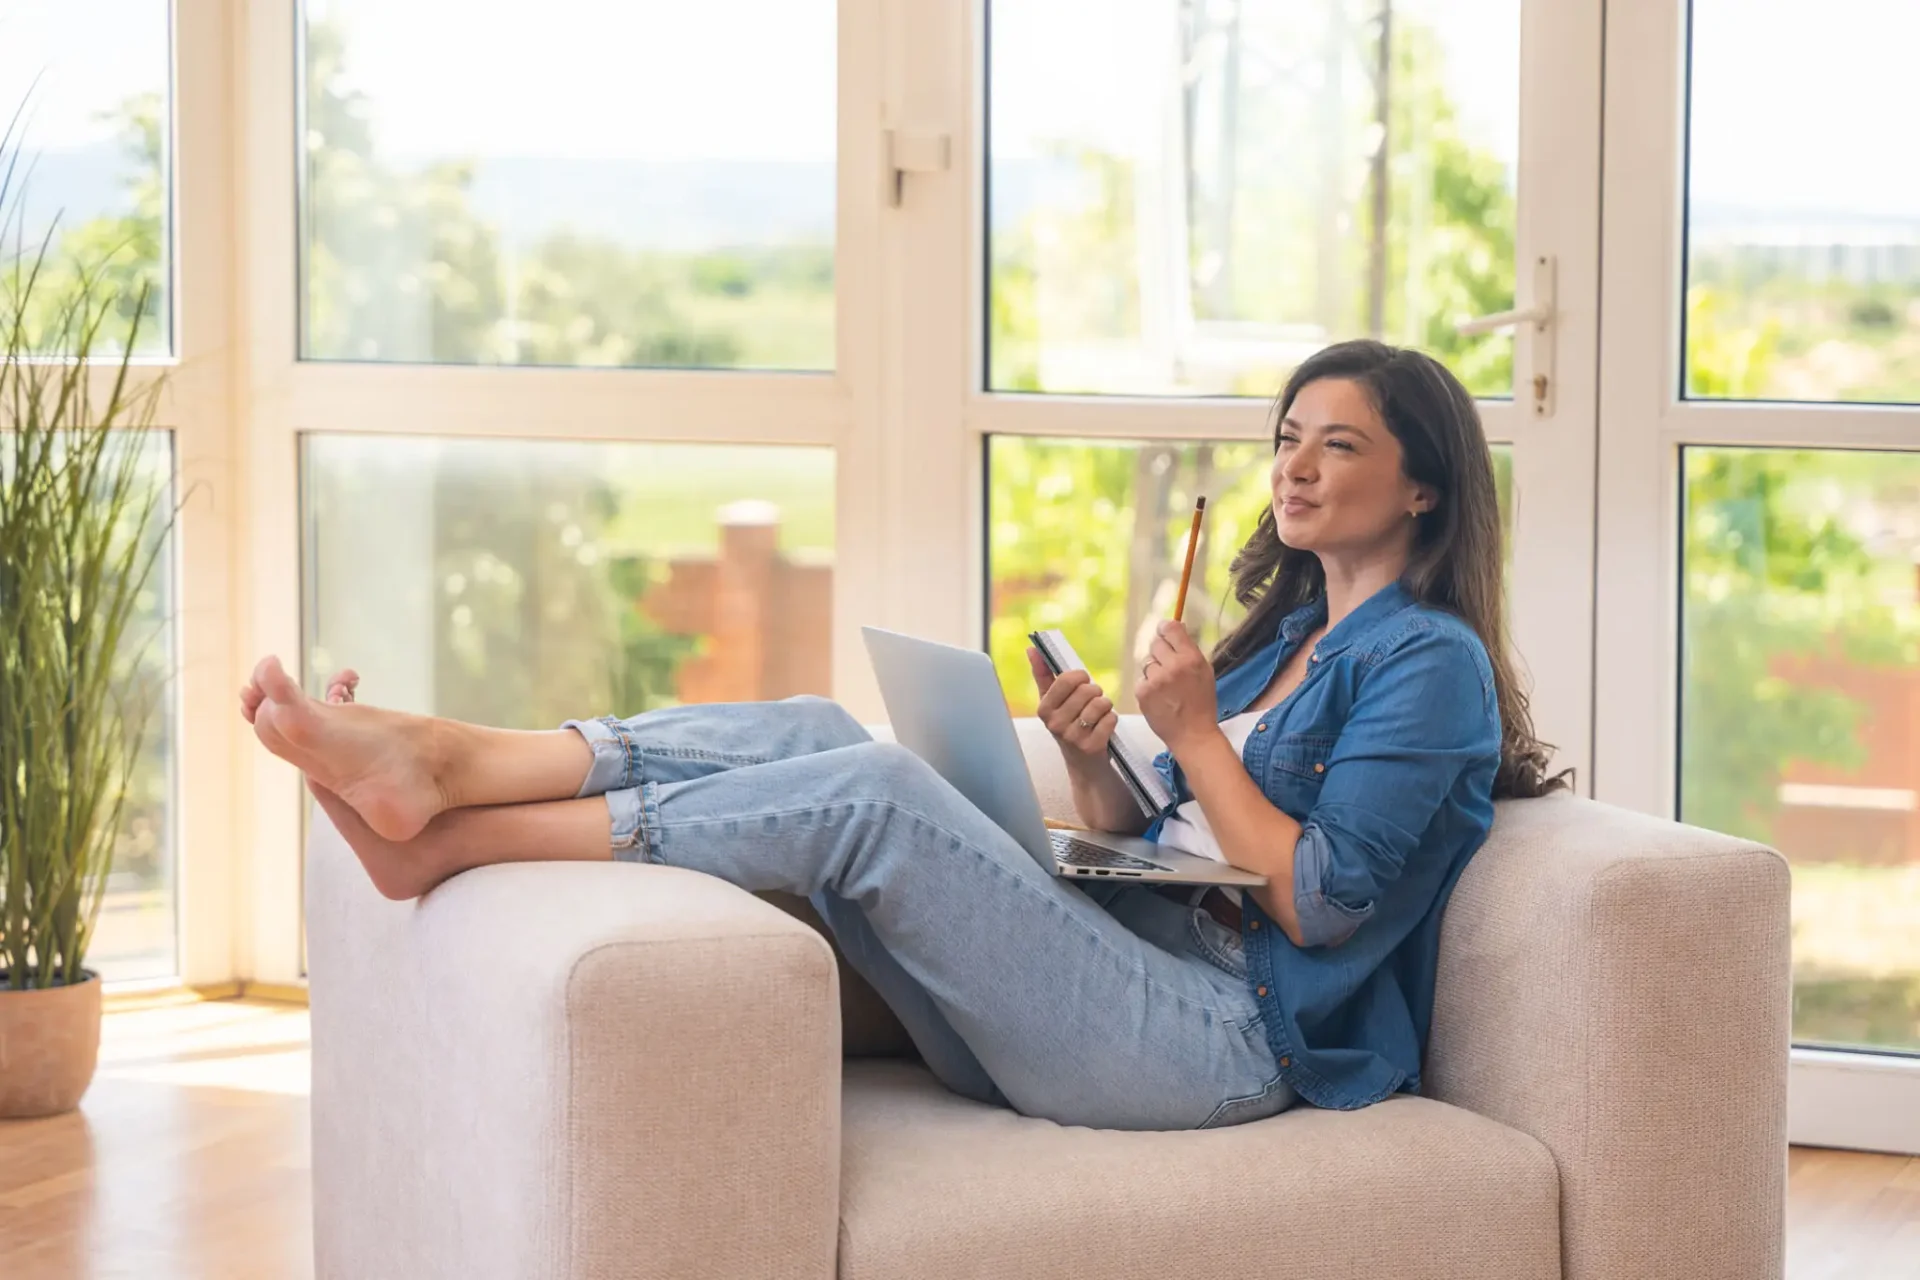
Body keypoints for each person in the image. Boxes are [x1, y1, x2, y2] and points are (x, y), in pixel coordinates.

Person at [242, 339, 1568, 1132]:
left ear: (1425, 488)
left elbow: (1321, 904)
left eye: (1339, 446)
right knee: (827, 722)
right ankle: (464, 757)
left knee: (872, 791)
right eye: (1288, 437)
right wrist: (1108, 757)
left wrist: (1200, 744)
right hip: (1120, 963)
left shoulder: (1429, 667)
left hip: (1217, 1043)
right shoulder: (1285, 641)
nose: (1295, 466)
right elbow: (1152, 835)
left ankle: (453, 833)